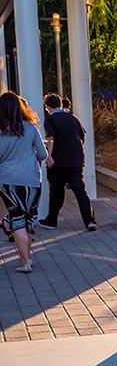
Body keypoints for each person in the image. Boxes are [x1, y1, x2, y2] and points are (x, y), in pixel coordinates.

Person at [0, 92, 48, 272]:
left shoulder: (1, 130)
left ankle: (25, 261)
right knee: (29, 216)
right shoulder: (30, 127)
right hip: (32, 179)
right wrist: (31, 159)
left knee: (17, 217)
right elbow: (43, 154)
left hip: (8, 181)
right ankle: (27, 256)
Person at [39, 93, 96, 231]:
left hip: (58, 163)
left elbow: (51, 138)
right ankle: (89, 221)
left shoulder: (50, 119)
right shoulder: (72, 118)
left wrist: (49, 156)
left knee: (56, 193)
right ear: (60, 104)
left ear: (47, 107)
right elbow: (82, 137)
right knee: (80, 191)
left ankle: (52, 221)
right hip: (75, 162)